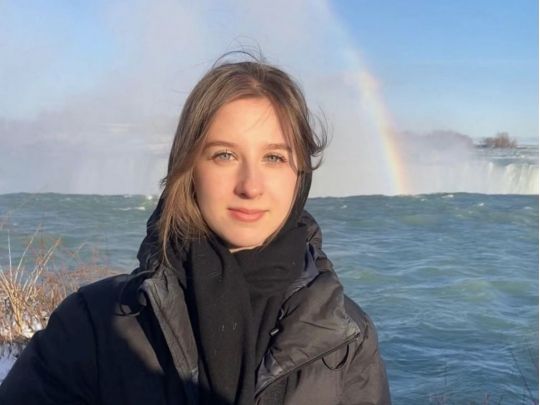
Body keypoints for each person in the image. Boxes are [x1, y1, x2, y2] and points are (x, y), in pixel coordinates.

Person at [0, 55, 391, 404]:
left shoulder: (347, 338)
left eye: (274, 157)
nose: (250, 186)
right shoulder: (95, 323)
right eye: (225, 155)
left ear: (300, 175)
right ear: (188, 168)